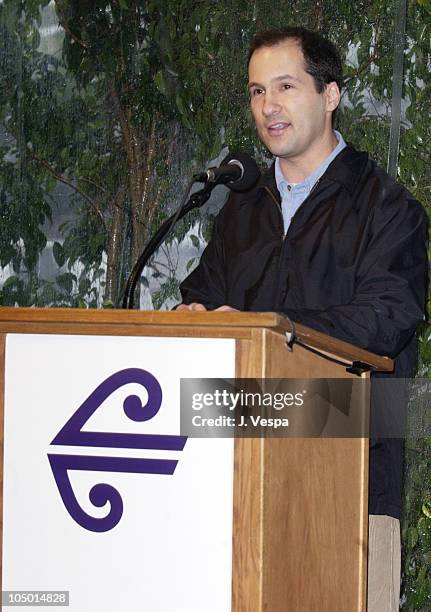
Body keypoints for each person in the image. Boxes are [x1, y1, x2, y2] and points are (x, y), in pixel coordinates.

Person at [177, 26, 428, 610]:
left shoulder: (388, 207)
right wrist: (191, 320)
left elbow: (386, 319)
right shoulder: (241, 210)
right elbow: (206, 302)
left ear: (331, 95)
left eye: (286, 86)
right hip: (234, 481)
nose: (269, 106)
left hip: (348, 477)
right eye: (257, 90)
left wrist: (265, 323)